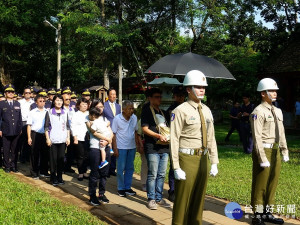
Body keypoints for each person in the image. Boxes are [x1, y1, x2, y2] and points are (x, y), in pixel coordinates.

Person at [170, 70, 219, 225]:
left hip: (203, 158)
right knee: (183, 199)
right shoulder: (180, 111)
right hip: (187, 158)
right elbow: (174, 139)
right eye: (198, 87)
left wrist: (215, 161)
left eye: (203, 87)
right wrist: (176, 167)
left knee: (199, 199)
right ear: (188, 89)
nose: (202, 90)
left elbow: (211, 137)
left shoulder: (207, 110)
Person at [250, 78, 288, 225]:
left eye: (275, 90)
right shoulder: (258, 112)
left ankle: (268, 212)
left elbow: (282, 132)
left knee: (272, 182)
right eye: (271, 91)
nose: (274, 93)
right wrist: (262, 157)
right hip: (264, 150)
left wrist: (284, 150)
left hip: (275, 150)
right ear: (263, 93)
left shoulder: (277, 111)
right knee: (261, 183)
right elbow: (256, 136)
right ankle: (257, 215)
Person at [141, 87, 171, 210]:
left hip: (164, 147)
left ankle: (159, 197)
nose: (159, 99)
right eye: (156, 97)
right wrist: (158, 135)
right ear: (150, 98)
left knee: (162, 174)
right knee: (152, 174)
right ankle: (151, 198)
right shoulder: (147, 111)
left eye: (160, 96)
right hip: (152, 147)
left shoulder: (163, 112)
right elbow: (144, 129)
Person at [112, 100, 143, 197]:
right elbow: (113, 134)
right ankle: (120, 188)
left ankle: (127, 187)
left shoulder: (134, 118)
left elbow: (135, 132)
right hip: (121, 147)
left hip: (132, 146)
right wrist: (115, 148)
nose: (132, 110)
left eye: (132, 108)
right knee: (120, 168)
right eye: (129, 108)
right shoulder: (117, 119)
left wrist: (138, 145)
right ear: (124, 110)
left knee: (130, 168)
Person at [87, 105, 112, 205]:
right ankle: (92, 195)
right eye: (98, 107)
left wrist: (107, 141)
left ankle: (101, 193)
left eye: (101, 107)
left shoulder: (104, 120)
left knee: (104, 173)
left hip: (105, 147)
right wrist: (107, 139)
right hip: (95, 148)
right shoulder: (89, 119)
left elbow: (111, 133)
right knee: (94, 173)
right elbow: (94, 132)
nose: (100, 109)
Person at [44, 95, 70, 186]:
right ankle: (53, 177)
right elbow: (46, 127)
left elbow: (67, 126)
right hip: (53, 140)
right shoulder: (49, 112)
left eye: (60, 100)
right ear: (54, 102)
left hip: (62, 140)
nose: (59, 102)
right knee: (53, 160)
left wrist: (68, 137)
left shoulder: (65, 112)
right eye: (57, 100)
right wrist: (47, 138)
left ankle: (59, 177)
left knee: (61, 159)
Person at [166, 85, 186, 202]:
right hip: (175, 141)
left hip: (186, 142)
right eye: (178, 96)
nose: (180, 98)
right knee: (174, 166)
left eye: (182, 96)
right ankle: (172, 190)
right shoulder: (171, 109)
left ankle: (182, 189)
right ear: (174, 96)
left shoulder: (188, 107)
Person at [0, 84, 22, 173]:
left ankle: (13, 165)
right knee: (6, 149)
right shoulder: (1, 104)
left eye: (12, 92)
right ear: (5, 93)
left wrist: (20, 128)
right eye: (8, 92)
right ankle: (7, 166)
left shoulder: (17, 103)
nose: (10, 93)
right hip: (6, 130)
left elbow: (19, 117)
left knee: (15, 149)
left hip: (16, 130)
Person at [27, 94, 49, 179]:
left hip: (44, 134)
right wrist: (29, 137)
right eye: (40, 101)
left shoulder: (47, 111)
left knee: (45, 154)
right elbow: (29, 125)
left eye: (43, 101)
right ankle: (34, 172)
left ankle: (44, 171)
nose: (42, 103)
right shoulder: (32, 112)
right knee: (34, 154)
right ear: (36, 102)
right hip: (35, 134)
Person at [103, 88, 121, 177]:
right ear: (108, 96)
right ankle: (106, 169)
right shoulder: (103, 105)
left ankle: (112, 169)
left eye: (114, 94)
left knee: (115, 149)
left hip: (117, 131)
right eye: (111, 94)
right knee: (107, 150)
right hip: (107, 130)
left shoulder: (118, 106)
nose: (113, 96)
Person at [71, 98, 90, 181]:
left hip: (88, 138)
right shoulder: (76, 114)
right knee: (80, 156)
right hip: (79, 138)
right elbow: (73, 126)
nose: (84, 106)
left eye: (86, 104)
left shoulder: (89, 114)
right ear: (78, 105)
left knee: (87, 156)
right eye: (83, 104)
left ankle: (85, 171)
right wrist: (75, 137)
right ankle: (80, 173)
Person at [62, 86, 76, 173]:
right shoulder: (60, 108)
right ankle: (61, 167)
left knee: (71, 151)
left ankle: (68, 166)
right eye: (66, 98)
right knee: (62, 151)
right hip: (62, 132)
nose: (68, 99)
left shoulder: (72, 109)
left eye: (69, 97)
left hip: (71, 132)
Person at [18, 87, 34, 163]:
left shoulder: (34, 102)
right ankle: (22, 157)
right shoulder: (20, 102)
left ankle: (27, 157)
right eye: (26, 93)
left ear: (31, 94)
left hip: (31, 123)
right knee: (22, 141)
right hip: (22, 122)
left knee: (30, 141)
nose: (28, 94)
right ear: (23, 94)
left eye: (29, 93)